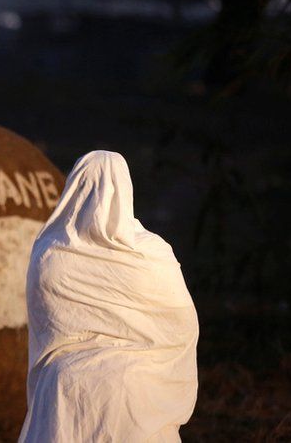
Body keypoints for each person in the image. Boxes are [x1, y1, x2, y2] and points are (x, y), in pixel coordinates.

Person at [20, 151, 198, 443]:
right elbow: (181, 324)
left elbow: (45, 328)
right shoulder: (152, 253)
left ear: (73, 186)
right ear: (126, 190)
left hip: (65, 386)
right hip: (137, 388)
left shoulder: (50, 252)